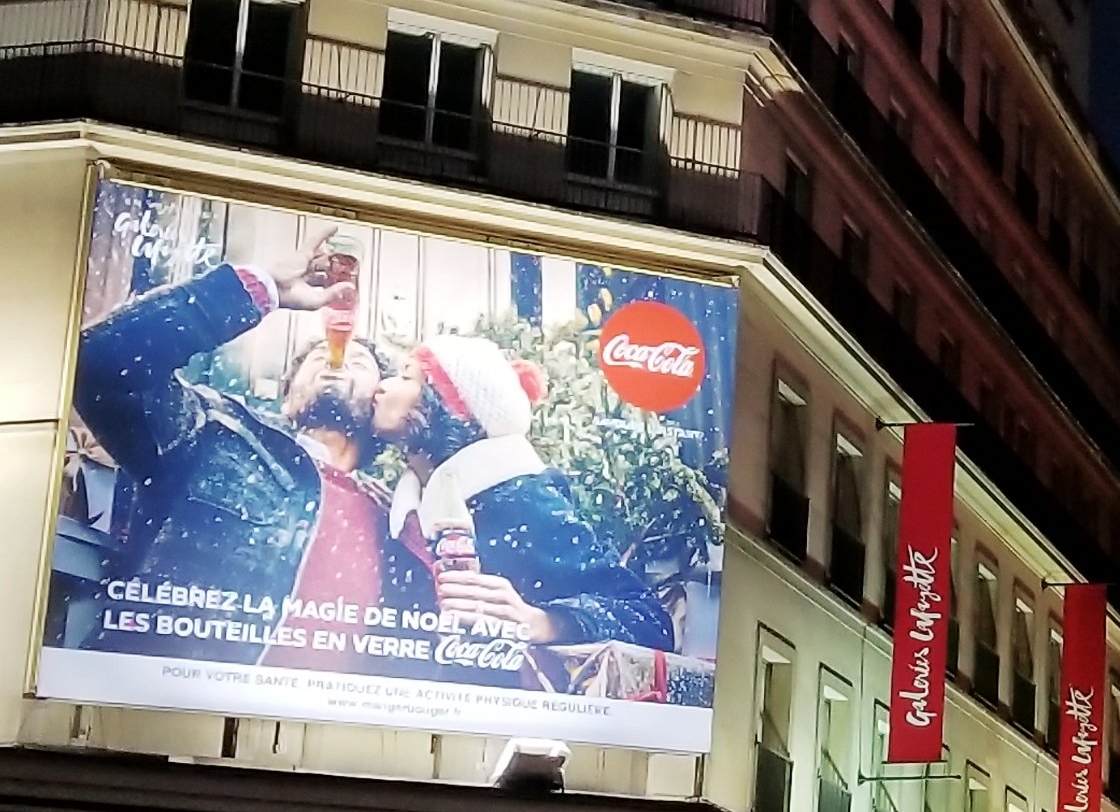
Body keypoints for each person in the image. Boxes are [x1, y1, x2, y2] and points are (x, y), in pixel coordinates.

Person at [71, 228, 436, 668]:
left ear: (379, 404)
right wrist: (259, 288)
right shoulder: (218, 432)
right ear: (288, 398)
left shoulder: (396, 521)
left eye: (358, 363)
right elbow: (101, 365)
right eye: (315, 360)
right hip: (161, 713)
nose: (335, 360)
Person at [391, 335, 678, 670]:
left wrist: (544, 622)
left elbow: (650, 622)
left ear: (450, 403)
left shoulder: (521, 500)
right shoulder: (407, 510)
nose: (383, 387)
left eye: (405, 376)